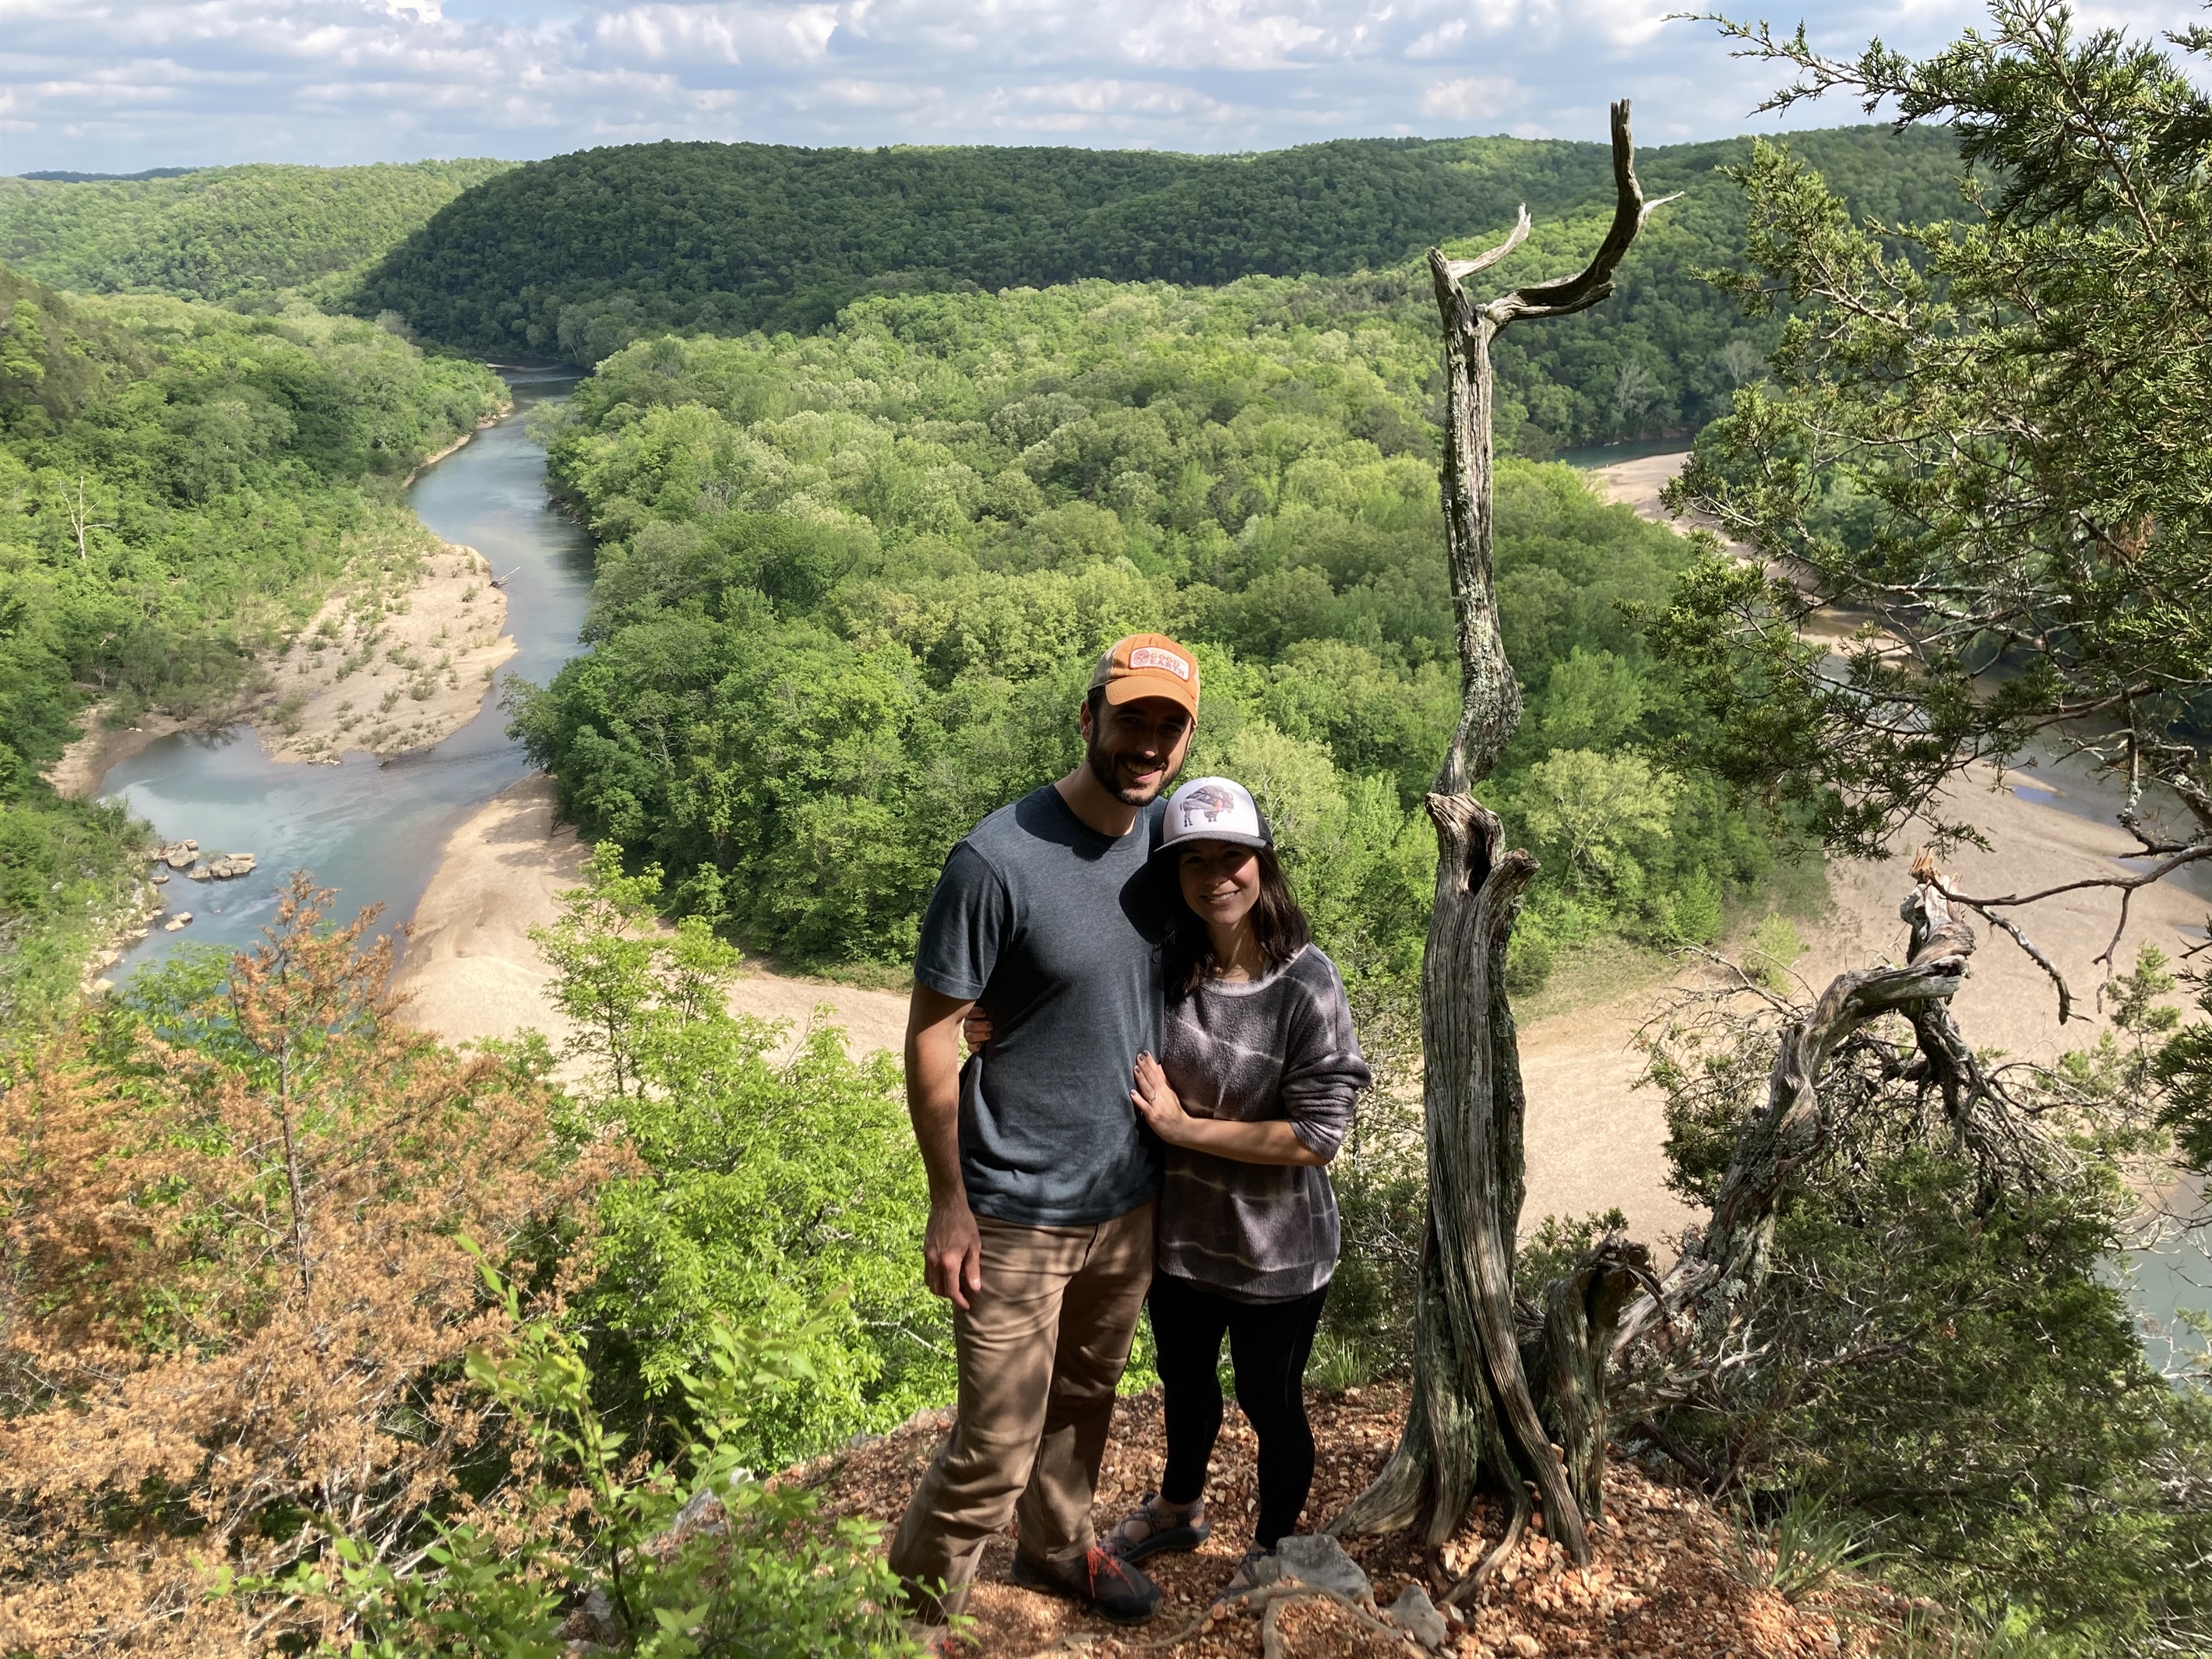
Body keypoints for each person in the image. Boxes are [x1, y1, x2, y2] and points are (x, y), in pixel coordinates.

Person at [968, 775, 1372, 1601]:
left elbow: (1317, 1136)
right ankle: (1178, 1509)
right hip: (1181, 1239)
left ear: (1264, 864)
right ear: (1173, 872)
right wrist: (991, 1021)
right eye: (1194, 861)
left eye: (1234, 857)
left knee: (1270, 1401)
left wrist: (1185, 1130)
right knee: (1186, 1391)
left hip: (1277, 1256)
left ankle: (1272, 1547)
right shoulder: (1166, 966)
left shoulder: (1307, 983)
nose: (1216, 876)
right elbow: (1079, 1008)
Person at [888, 632, 1202, 1635]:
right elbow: (935, 1031)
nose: (1147, 744)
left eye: (1168, 726)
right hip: (1014, 1206)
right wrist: (948, 1201)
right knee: (993, 1446)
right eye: (1130, 720)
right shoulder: (997, 860)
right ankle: (906, 1621)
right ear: (1087, 720)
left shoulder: (1177, 847)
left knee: (1087, 1395)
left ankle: (1056, 1547)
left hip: (1128, 1196)